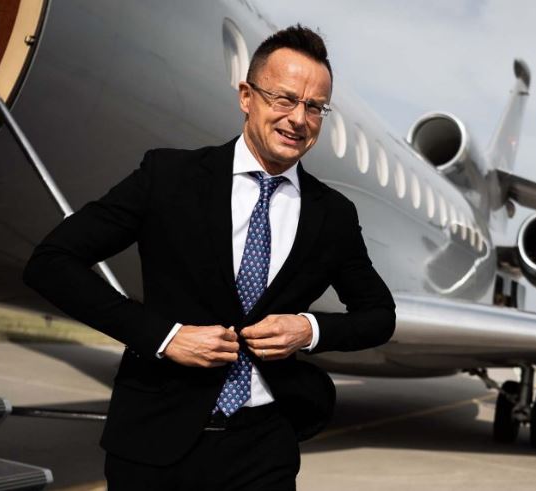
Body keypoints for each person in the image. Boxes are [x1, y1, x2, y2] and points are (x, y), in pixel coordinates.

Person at [23, 25, 395, 490]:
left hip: (265, 446)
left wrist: (308, 329)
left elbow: (379, 315)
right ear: (247, 96)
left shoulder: (333, 214)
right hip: (153, 441)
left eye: (314, 107)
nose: (299, 119)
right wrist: (165, 336)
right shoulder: (168, 176)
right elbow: (52, 262)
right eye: (284, 99)